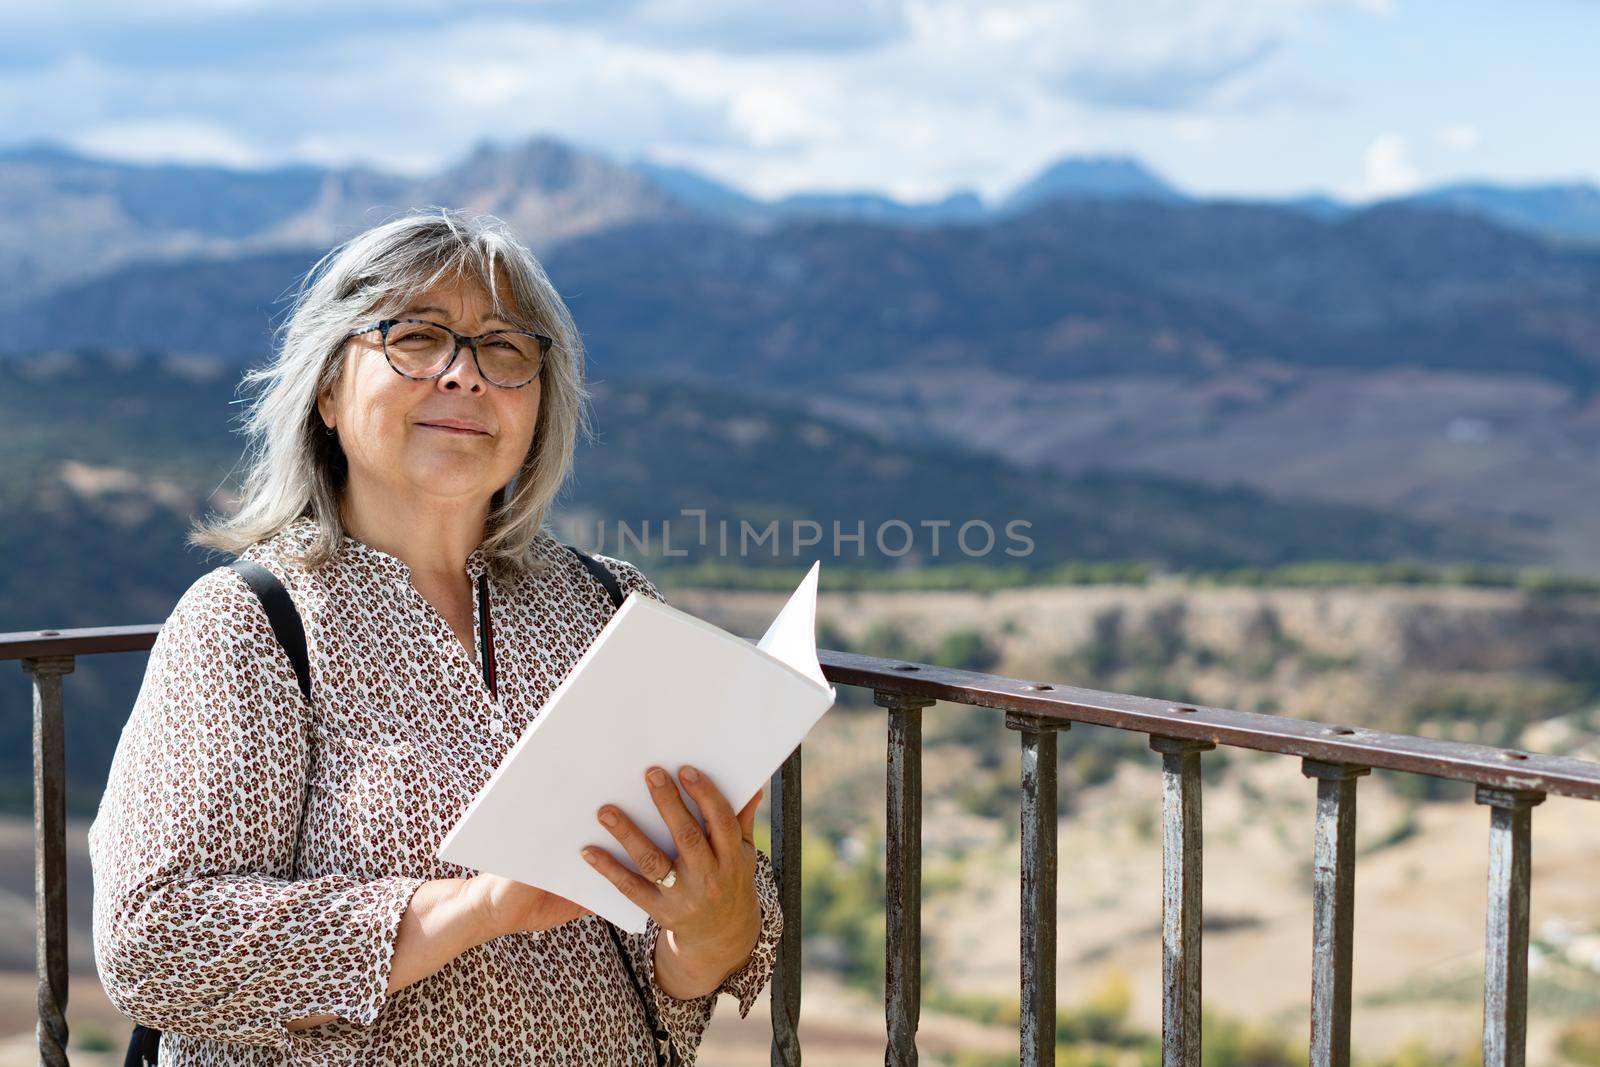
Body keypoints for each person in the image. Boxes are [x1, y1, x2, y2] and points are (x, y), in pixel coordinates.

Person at [87, 207, 782, 1065]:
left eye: (504, 348)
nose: (464, 375)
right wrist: (479, 907)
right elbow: (154, 938)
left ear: (538, 404)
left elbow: (684, 965)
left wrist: (715, 921)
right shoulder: (251, 622)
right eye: (416, 337)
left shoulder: (610, 606)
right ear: (328, 391)